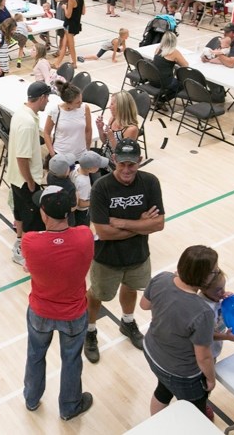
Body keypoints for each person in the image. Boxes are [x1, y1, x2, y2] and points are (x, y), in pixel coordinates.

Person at [84, 139, 164, 363]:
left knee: (131, 288)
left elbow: (158, 224)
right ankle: (90, 331)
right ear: (113, 160)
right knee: (96, 295)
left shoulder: (150, 182)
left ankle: (127, 322)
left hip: (138, 255)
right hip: (105, 258)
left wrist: (124, 223)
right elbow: (104, 232)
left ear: (139, 161)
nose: (127, 170)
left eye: (132, 164)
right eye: (122, 164)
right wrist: (141, 224)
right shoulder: (101, 187)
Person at [22, 185, 95, 421]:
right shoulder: (84, 235)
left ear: (43, 213)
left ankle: (32, 399)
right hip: (73, 313)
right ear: (69, 210)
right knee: (72, 360)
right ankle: (69, 407)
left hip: (41, 311)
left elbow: (33, 265)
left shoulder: (30, 241)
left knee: (35, 355)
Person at [140, 245, 219, 418]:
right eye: (214, 271)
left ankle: (156, 425)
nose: (217, 273)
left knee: (163, 388)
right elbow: (203, 357)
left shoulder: (162, 278)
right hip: (182, 372)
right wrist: (211, 379)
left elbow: (144, 305)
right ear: (203, 277)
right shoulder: (202, 312)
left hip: (152, 351)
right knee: (195, 412)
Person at [8, 81, 51, 265]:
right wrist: (31, 182)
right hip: (25, 179)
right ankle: (26, 254)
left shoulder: (20, 112)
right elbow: (22, 158)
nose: (48, 102)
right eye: (47, 98)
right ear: (41, 97)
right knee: (31, 220)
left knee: (19, 213)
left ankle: (19, 243)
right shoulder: (27, 123)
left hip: (15, 177)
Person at [199, 270, 234, 361]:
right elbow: (205, 335)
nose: (223, 291)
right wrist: (227, 337)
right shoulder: (204, 309)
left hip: (214, 348)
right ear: (203, 289)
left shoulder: (218, 298)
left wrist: (231, 303)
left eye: (223, 287)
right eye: (218, 290)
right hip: (205, 353)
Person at [44, 80, 91, 160]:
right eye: (77, 102)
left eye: (81, 100)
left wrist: (88, 149)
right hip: (61, 155)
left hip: (80, 155)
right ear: (68, 103)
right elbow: (46, 133)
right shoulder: (55, 111)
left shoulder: (85, 108)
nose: (81, 104)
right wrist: (52, 154)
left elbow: (88, 130)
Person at [96, 91, 140, 162]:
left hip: (116, 165)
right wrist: (100, 129)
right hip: (104, 158)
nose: (109, 107)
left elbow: (122, 155)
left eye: (112, 104)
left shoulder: (131, 129)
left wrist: (112, 138)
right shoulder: (113, 119)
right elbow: (105, 142)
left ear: (121, 107)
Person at [150, 31, 189, 105]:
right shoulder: (174, 52)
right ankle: (161, 100)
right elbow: (185, 65)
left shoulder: (158, 49)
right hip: (164, 82)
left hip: (153, 79)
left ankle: (158, 97)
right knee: (181, 85)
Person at [53, 0, 85, 69]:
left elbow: (68, 15)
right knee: (64, 44)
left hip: (69, 25)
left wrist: (64, 7)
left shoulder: (71, 0)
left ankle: (74, 63)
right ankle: (57, 63)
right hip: (76, 23)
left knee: (70, 45)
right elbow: (83, 12)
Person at [74, 151, 108, 226]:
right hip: (82, 213)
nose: (99, 167)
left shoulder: (76, 167)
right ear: (90, 169)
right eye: (98, 166)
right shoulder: (84, 183)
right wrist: (96, 201)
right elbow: (81, 203)